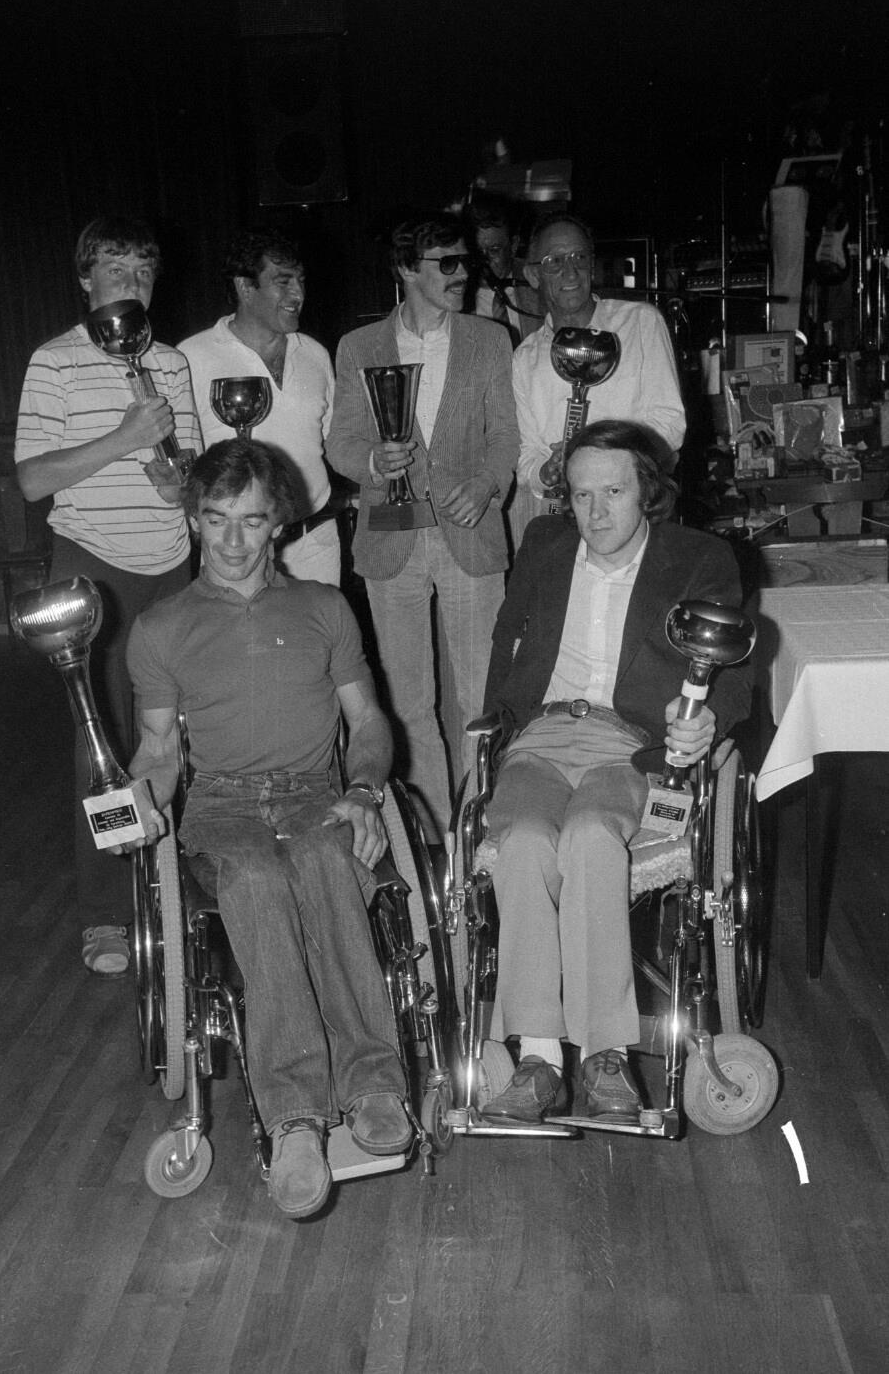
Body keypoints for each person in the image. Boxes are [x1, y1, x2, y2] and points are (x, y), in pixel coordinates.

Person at [123, 439, 411, 1219]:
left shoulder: (324, 607)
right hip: (221, 805)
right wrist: (136, 801)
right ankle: (295, 1122)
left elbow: (368, 722)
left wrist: (363, 791)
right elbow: (158, 748)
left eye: (250, 521)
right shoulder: (161, 626)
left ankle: (374, 1085)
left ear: (277, 524)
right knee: (254, 876)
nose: (232, 539)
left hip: (317, 793)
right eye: (216, 518)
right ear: (194, 517)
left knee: (323, 857)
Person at [477, 420, 751, 1123]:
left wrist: (708, 719)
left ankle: (605, 1054)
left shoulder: (697, 557)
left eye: (613, 493)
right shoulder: (545, 544)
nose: (594, 513)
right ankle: (540, 1057)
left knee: (593, 832)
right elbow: (506, 644)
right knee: (525, 839)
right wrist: (497, 719)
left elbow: (737, 671)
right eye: (580, 495)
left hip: (627, 744)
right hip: (539, 738)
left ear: (647, 492)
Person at [14, 215, 201, 977]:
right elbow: (34, 479)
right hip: (92, 567)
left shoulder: (172, 363)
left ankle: (173, 887)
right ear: (86, 280)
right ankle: (106, 912)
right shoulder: (53, 361)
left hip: (171, 566)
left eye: (143, 271)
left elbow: (188, 476)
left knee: (175, 734)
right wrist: (123, 439)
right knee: (103, 743)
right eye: (116, 269)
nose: (132, 283)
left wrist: (174, 479)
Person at [327, 212, 519, 836]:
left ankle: (480, 830)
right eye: (447, 263)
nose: (463, 275)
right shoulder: (359, 347)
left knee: (479, 699)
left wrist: (486, 484)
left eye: (466, 262)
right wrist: (372, 462)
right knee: (408, 704)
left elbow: (505, 437)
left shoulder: (490, 339)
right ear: (407, 268)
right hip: (391, 537)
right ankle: (434, 837)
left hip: (470, 532)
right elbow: (340, 442)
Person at [179, 229, 340, 585]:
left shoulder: (314, 353)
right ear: (245, 287)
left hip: (315, 539)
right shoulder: (190, 357)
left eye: (301, 280)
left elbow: (337, 441)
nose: (298, 294)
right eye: (283, 282)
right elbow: (180, 459)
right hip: (236, 547)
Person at [513, 213, 686, 508]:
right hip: (565, 511)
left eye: (579, 257)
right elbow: (527, 455)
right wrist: (547, 471)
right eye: (554, 261)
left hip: (637, 502)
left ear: (592, 266)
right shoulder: (524, 358)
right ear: (533, 276)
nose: (570, 272)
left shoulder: (640, 322)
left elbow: (669, 423)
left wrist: (602, 462)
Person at [464, 198, 542, 348]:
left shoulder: (536, 285)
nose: (483, 260)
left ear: (513, 245)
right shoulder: (456, 295)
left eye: (494, 250)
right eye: (477, 251)